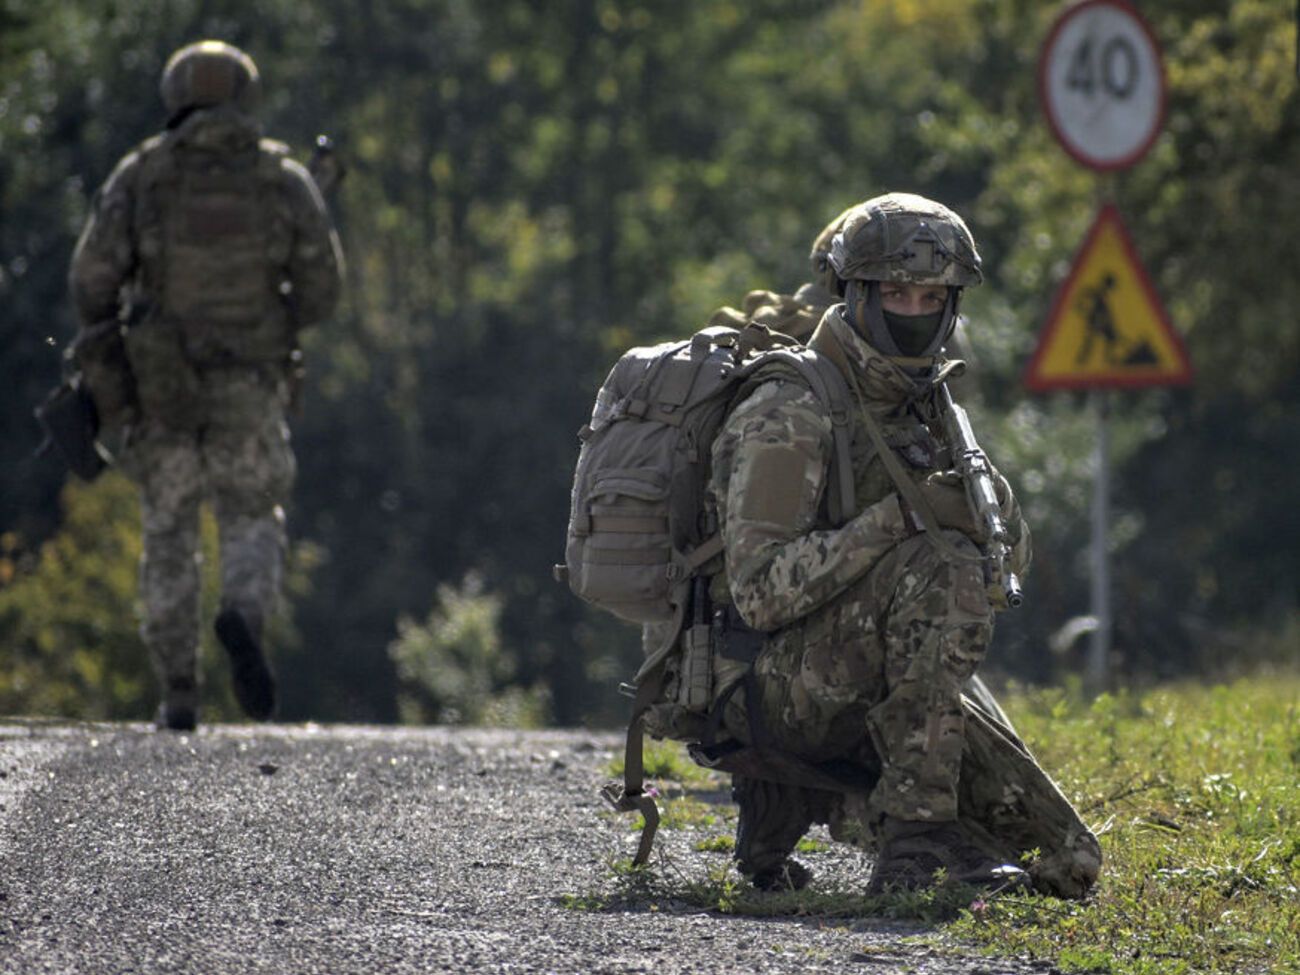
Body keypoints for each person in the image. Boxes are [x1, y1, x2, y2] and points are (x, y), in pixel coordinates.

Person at [703, 192, 1100, 897]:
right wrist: (905, 519)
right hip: (764, 686)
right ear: (854, 293)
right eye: (894, 292)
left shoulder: (926, 402)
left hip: (856, 671)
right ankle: (913, 846)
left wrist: (991, 510)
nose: (912, 311)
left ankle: (824, 808)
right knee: (937, 567)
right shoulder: (791, 407)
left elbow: (1005, 565)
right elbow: (760, 591)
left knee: (1066, 859)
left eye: (929, 296)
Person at [67, 40, 344, 731]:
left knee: (168, 533)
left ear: (174, 97)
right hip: (250, 381)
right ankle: (242, 612)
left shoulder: (143, 175)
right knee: (251, 514)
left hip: (160, 386)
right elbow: (322, 291)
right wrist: (271, 310)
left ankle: (179, 691)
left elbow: (89, 281)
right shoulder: (282, 178)